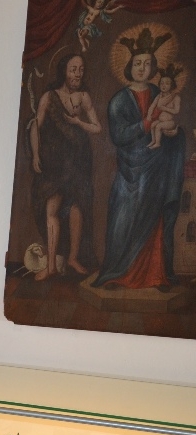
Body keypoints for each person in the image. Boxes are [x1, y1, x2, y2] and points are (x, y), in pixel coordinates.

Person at [95, 28, 186, 290]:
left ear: (154, 67)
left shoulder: (160, 93)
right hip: (130, 172)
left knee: (156, 220)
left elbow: (170, 123)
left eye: (147, 64)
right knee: (124, 220)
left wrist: (174, 134)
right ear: (129, 67)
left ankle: (157, 276)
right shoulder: (118, 101)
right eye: (137, 63)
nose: (142, 69)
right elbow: (118, 136)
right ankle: (117, 274)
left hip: (158, 169)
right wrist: (145, 124)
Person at [29, 52, 101, 279]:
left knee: (77, 207)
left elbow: (97, 128)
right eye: (73, 69)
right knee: (52, 209)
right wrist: (35, 154)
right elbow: (35, 126)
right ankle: (51, 265)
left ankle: (72, 258)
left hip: (79, 159)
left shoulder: (84, 97)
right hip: (55, 163)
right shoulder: (49, 97)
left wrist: (79, 122)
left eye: (81, 69)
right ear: (64, 71)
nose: (77, 74)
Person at [147, 67, 181, 150]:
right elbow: (152, 106)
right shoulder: (159, 96)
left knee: (158, 126)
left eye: (167, 83)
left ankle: (157, 143)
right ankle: (153, 141)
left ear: (172, 85)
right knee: (153, 125)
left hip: (170, 122)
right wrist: (149, 115)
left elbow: (176, 111)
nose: (163, 85)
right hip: (161, 120)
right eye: (162, 83)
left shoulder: (175, 97)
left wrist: (164, 108)